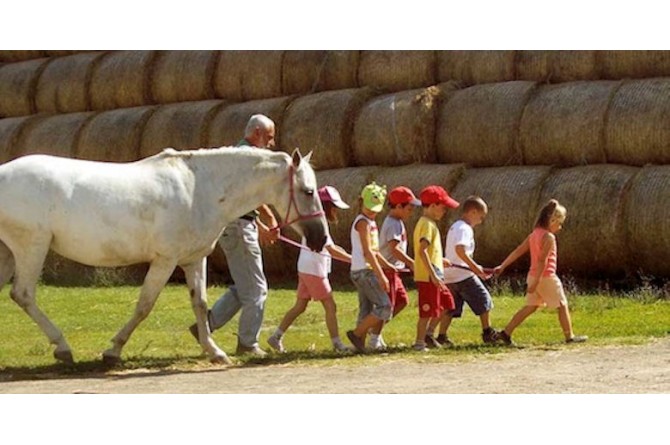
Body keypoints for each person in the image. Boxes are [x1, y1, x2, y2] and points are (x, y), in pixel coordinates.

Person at [189, 114, 280, 357]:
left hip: (236, 225)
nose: (271, 144)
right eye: (269, 138)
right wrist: (268, 217)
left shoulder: (236, 154)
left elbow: (240, 198)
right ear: (258, 133)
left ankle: (205, 326)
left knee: (244, 287)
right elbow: (249, 192)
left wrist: (258, 222)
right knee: (257, 290)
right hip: (239, 229)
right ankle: (248, 344)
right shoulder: (248, 156)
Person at [267, 186, 352, 353]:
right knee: (330, 306)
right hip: (314, 270)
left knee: (300, 306)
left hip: (306, 268)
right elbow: (332, 251)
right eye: (334, 207)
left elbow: (332, 246)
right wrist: (354, 260)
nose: (336, 211)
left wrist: (351, 256)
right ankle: (337, 344)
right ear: (327, 207)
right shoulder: (319, 225)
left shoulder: (316, 223)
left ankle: (275, 337)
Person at [494, 199, 588, 346]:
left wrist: (503, 265)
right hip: (546, 277)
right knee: (562, 304)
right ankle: (569, 336)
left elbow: (518, 250)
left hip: (533, 276)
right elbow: (542, 261)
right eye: (559, 223)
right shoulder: (549, 237)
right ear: (552, 220)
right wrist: (537, 281)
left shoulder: (534, 234)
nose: (560, 227)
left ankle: (506, 333)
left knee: (531, 307)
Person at [429, 196, 498, 347]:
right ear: (472, 212)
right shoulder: (465, 229)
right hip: (463, 275)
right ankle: (487, 332)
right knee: (484, 300)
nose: (481, 221)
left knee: (450, 307)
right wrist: (475, 268)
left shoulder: (455, 226)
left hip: (450, 275)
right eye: (481, 217)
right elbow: (460, 250)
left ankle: (440, 335)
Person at [367, 186, 421, 350]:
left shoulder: (398, 222)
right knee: (387, 305)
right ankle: (373, 338)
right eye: (409, 208)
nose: (411, 212)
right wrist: (411, 262)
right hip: (388, 270)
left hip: (394, 270)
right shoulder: (393, 224)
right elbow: (394, 249)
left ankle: (376, 331)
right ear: (398, 207)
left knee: (402, 301)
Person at [346, 182, 397, 353]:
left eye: (375, 208)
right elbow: (367, 252)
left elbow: (374, 251)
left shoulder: (369, 222)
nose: (372, 211)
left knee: (366, 309)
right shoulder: (363, 223)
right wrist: (381, 275)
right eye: (369, 207)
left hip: (361, 271)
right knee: (384, 306)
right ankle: (357, 334)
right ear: (361, 202)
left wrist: (387, 264)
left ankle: (358, 345)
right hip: (364, 272)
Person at [412, 186, 460, 351]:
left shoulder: (430, 224)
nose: (445, 211)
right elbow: (422, 250)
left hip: (435, 273)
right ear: (432, 205)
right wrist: (432, 274)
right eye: (443, 207)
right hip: (428, 276)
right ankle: (419, 343)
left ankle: (429, 334)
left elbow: (430, 251)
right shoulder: (426, 224)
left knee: (447, 303)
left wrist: (440, 259)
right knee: (427, 311)